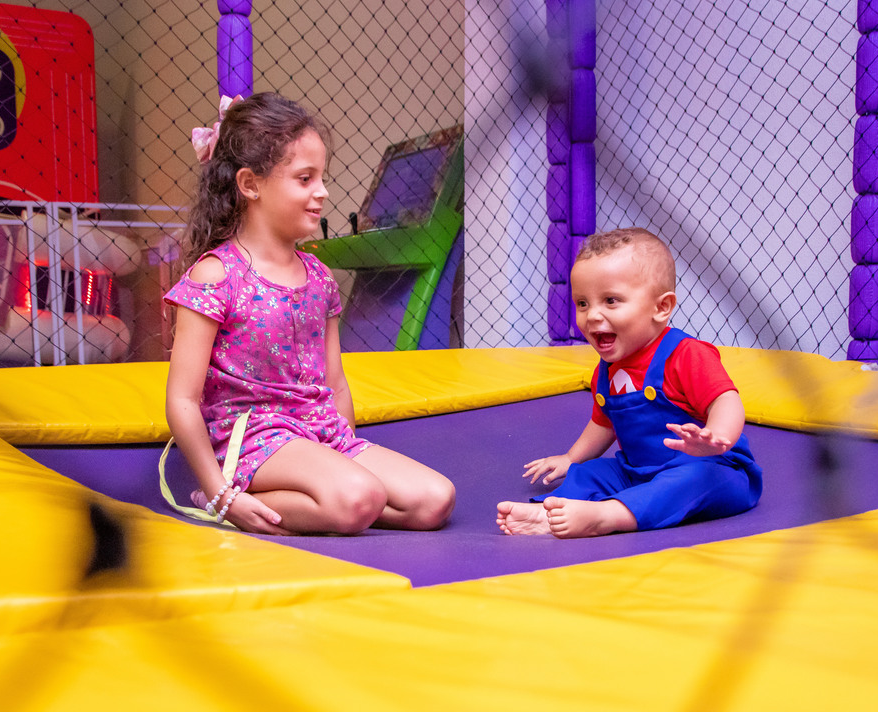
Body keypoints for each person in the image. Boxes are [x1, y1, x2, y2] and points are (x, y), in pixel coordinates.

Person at [165, 93, 455, 535]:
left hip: (318, 429)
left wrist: (345, 453)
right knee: (359, 497)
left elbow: (335, 382)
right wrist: (221, 491)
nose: (322, 191)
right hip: (256, 438)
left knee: (435, 501)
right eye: (305, 179)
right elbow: (182, 399)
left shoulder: (318, 277)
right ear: (250, 184)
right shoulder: (216, 275)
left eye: (321, 177)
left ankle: (339, 498)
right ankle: (228, 500)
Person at [496, 227, 762, 538]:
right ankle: (548, 512)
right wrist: (571, 458)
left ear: (661, 308)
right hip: (639, 472)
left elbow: (726, 399)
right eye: (582, 303)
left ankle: (607, 516)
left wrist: (717, 435)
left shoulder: (685, 354)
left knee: (690, 480)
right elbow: (604, 422)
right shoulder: (605, 371)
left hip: (716, 467)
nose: (592, 315)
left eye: (610, 301)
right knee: (592, 473)